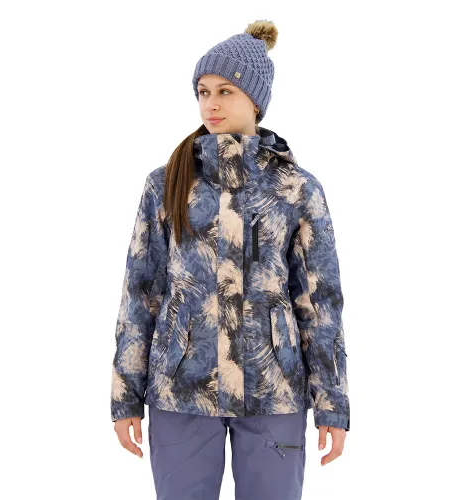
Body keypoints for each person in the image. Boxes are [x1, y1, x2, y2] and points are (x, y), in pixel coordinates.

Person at [110, 19, 350, 500]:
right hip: (181, 388)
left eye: (225, 92)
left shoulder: (297, 189)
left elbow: (319, 302)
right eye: (203, 92)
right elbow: (141, 293)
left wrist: (332, 402)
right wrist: (125, 395)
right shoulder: (166, 183)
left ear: (255, 101)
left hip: (273, 390)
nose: (211, 104)